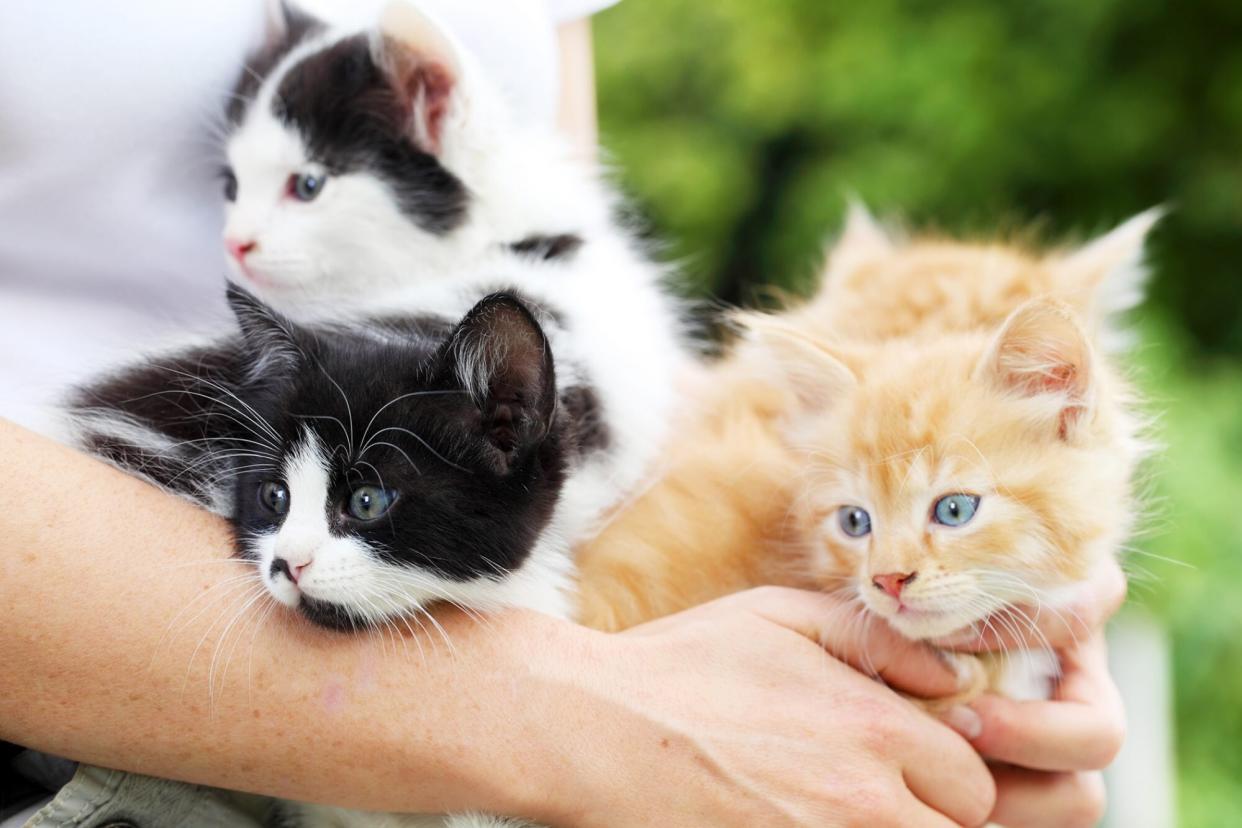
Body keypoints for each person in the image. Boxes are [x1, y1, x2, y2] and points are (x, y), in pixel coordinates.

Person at [0, 2, 1124, 825]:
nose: (243, 236)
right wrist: (569, 721)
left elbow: (577, 369)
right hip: (85, 740)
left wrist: (967, 661)